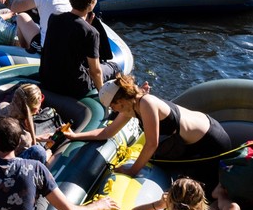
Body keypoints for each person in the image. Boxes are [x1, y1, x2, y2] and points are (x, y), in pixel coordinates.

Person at [66, 75, 232, 179]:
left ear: (120, 102)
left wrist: (132, 171)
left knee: (208, 190)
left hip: (211, 144)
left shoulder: (146, 103)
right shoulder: (131, 106)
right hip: (195, 142)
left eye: (113, 107)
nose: (113, 111)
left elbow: (152, 144)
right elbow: (108, 132)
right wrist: (75, 136)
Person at [39, 0, 121, 99]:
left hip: (47, 80)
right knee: (115, 67)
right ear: (92, 2)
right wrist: (101, 93)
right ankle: (113, 101)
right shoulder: (91, 32)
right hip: (73, 87)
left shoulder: (54, 17)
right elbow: (95, 71)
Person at [0, 84, 49, 163]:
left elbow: (2, 136)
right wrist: (47, 155)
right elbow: (25, 165)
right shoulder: (24, 136)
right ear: (35, 110)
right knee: (39, 152)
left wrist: (37, 138)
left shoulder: (2, 106)